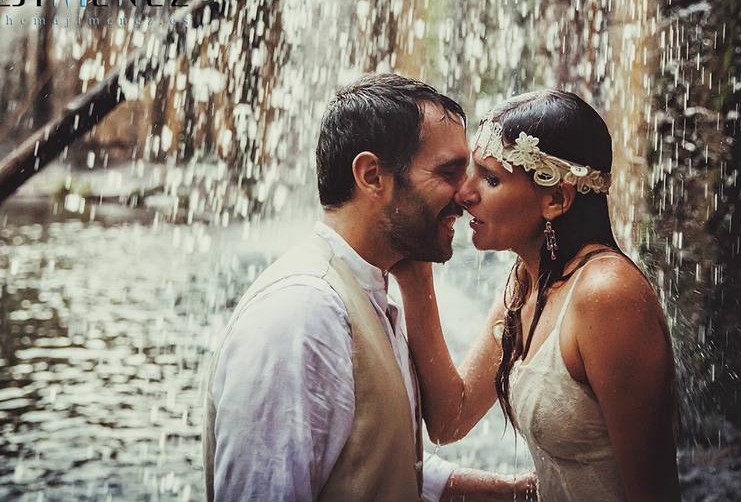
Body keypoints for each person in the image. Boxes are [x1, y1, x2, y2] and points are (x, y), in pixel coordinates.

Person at [202, 74, 536, 501]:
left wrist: (512, 492)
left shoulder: (365, 287)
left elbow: (368, 455)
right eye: (450, 172)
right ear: (372, 176)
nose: (467, 193)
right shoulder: (301, 317)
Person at [392, 90, 681, 501]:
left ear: (556, 199)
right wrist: (417, 277)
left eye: (491, 179)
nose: (465, 193)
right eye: (472, 172)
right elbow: (450, 420)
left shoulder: (607, 296)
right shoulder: (526, 280)